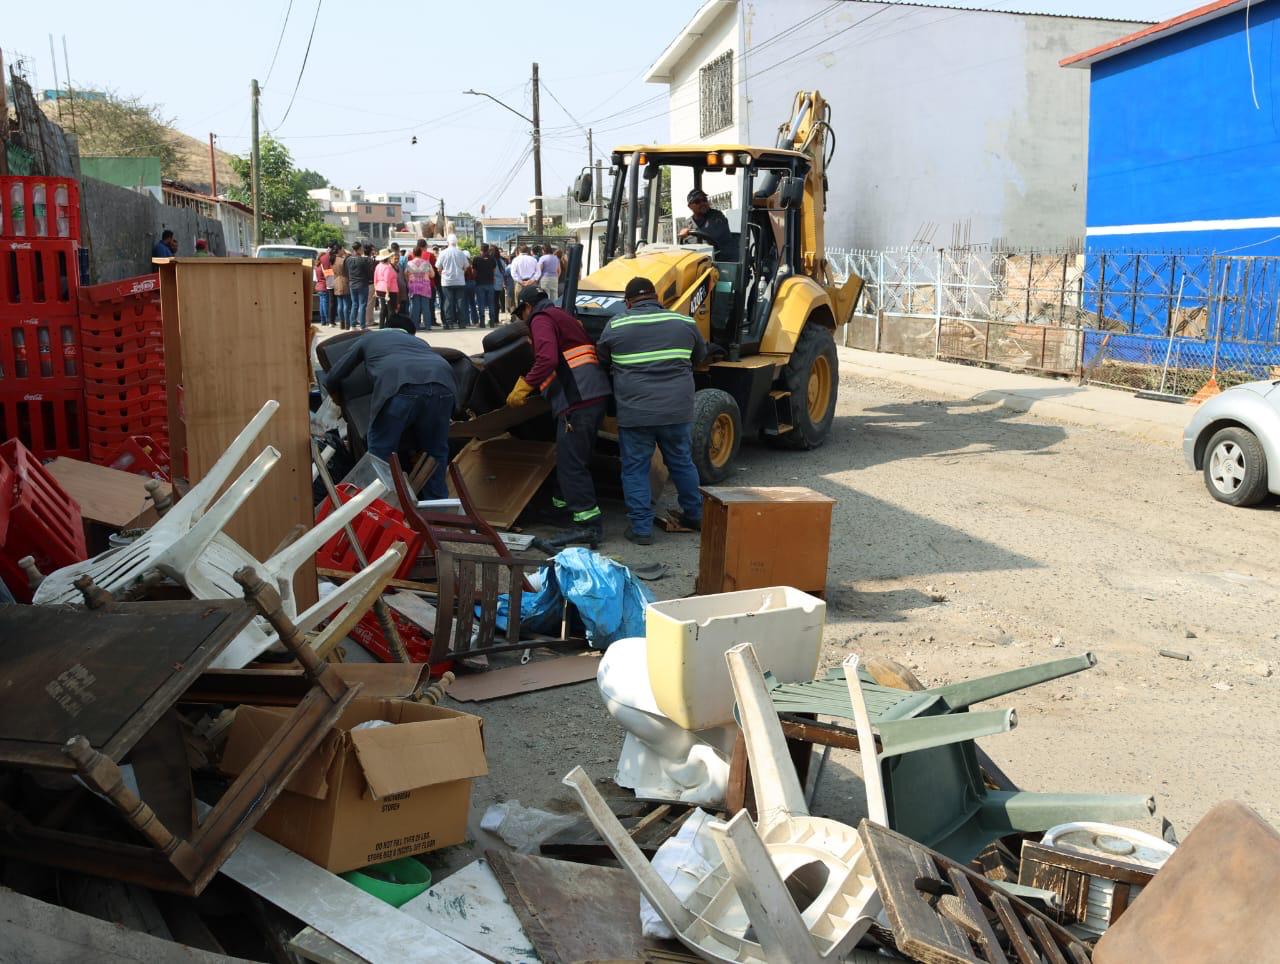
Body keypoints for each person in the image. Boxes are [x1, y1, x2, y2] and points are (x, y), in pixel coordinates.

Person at [596, 276, 708, 545]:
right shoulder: (684, 322)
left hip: (635, 413)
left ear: (628, 301)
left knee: (635, 468)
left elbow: (601, 360)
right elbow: (700, 357)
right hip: (676, 411)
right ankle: (695, 515)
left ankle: (641, 529)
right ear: (657, 298)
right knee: (681, 462)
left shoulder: (616, 325)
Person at [507, 286, 610, 547]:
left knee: (571, 463)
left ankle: (588, 524)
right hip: (592, 394)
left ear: (528, 307)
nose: (523, 320)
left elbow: (547, 359)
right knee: (571, 457)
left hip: (578, 398)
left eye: (522, 314)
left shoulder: (541, 319)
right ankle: (561, 508)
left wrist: (524, 386)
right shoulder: (562, 316)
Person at [323, 323, 456, 499]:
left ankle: (383, 504)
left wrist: (333, 392)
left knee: (380, 451)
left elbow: (336, 373)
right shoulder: (418, 341)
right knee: (435, 452)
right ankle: (438, 509)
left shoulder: (367, 339)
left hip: (400, 385)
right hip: (444, 384)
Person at [678, 188, 734, 261]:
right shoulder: (687, 224)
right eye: (697, 201)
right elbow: (682, 246)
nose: (702, 203)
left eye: (704, 200)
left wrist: (689, 231)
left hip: (719, 261)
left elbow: (714, 235)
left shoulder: (717, 216)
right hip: (696, 262)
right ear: (690, 206)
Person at [436, 234, 470, 330]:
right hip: (459, 281)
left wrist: (442, 274)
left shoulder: (443, 253)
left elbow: (438, 268)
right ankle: (462, 323)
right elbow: (466, 267)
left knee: (448, 302)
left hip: (446, 281)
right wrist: (461, 273)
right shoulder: (461, 253)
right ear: (456, 242)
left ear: (447, 242)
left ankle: (449, 323)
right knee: (460, 303)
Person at [345, 242, 374, 330]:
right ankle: (362, 325)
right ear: (358, 249)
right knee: (362, 305)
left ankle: (352, 325)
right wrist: (369, 280)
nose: (362, 250)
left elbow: (346, 271)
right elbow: (369, 272)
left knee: (354, 304)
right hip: (362, 284)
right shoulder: (363, 260)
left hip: (352, 284)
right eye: (361, 248)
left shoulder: (348, 259)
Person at [405, 247, 435, 331]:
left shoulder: (409, 263)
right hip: (425, 287)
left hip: (414, 286)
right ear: (421, 253)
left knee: (415, 307)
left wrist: (410, 280)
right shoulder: (426, 263)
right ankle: (428, 325)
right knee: (425, 307)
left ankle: (414, 326)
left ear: (413, 254)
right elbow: (432, 275)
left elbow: (406, 274)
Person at [473, 244, 500, 328]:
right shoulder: (492, 259)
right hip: (490, 284)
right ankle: (492, 322)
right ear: (488, 250)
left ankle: (482, 323)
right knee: (491, 303)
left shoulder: (476, 259)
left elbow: (474, 272)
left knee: (481, 304)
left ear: (480, 249)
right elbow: (493, 270)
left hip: (480, 284)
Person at [373, 250, 401, 327]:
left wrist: (375, 290)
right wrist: (387, 293)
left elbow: (375, 278)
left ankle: (381, 325)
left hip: (380, 288)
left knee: (383, 309)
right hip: (389, 290)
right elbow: (387, 281)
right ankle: (389, 326)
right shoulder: (387, 267)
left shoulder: (378, 266)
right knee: (391, 310)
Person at [333, 242, 351, 329]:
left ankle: (342, 323)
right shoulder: (343, 260)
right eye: (342, 249)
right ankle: (347, 323)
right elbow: (348, 271)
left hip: (336, 281)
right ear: (339, 250)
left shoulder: (332, 259)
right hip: (344, 281)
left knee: (340, 304)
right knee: (346, 304)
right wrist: (347, 254)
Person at [314, 249, 333, 326]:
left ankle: (323, 320)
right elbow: (328, 276)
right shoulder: (322, 266)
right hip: (324, 286)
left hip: (318, 286)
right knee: (325, 304)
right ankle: (327, 319)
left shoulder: (316, 266)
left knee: (321, 304)